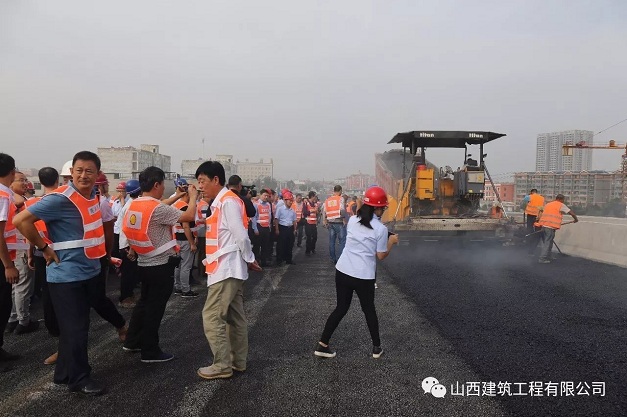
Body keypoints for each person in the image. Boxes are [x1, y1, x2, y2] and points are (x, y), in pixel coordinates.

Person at [14, 151, 110, 395]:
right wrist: (44, 247)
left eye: (89, 170)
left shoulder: (93, 196)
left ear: (97, 174)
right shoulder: (60, 199)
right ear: (71, 173)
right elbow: (21, 221)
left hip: (88, 271)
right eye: (79, 170)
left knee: (75, 328)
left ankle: (64, 373)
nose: (83, 175)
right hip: (66, 277)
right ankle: (79, 379)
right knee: (76, 329)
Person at [121, 167, 197, 363]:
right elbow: (188, 216)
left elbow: (159, 206)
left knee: (143, 304)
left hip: (144, 262)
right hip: (160, 265)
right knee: (155, 309)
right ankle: (150, 351)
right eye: (163, 184)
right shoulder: (157, 209)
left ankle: (132, 341)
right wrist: (193, 196)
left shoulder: (136, 204)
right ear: (156, 185)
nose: (164, 187)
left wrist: (176, 196)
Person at [314, 186, 398, 359]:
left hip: (343, 271)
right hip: (363, 276)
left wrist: (384, 233)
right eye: (382, 207)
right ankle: (376, 348)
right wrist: (392, 242)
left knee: (341, 308)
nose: (383, 210)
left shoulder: (353, 220)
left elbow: (365, 229)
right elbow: (381, 255)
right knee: (369, 310)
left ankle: (322, 344)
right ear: (377, 208)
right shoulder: (381, 229)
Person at [195, 161, 260, 380]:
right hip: (227, 267)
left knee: (212, 316)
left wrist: (249, 258)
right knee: (235, 317)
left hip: (226, 269)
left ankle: (222, 364)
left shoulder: (227, 202)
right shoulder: (221, 202)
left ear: (216, 180)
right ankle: (237, 362)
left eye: (203, 181)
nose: (200, 186)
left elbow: (241, 235)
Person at [24, 167, 60, 365]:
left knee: (46, 291)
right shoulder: (62, 200)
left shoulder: (32, 203)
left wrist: (32, 253)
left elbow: (29, 230)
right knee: (59, 291)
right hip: (57, 251)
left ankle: (52, 327)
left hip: (40, 250)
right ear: (57, 179)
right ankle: (62, 327)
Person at [7, 170, 38, 335]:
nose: (25, 183)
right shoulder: (13, 198)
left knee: (17, 287)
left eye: (26, 180)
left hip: (17, 246)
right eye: (21, 180)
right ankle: (23, 321)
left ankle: (13, 318)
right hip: (21, 246)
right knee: (23, 287)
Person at [0, 153, 21, 362]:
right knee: (2, 304)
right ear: (12, 172)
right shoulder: (3, 195)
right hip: (2, 261)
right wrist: (8, 265)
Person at [115, 179, 141, 308]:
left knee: (131, 273)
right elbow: (130, 228)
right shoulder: (132, 206)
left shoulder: (132, 203)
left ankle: (129, 295)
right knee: (127, 274)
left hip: (127, 243)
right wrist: (131, 248)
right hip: (127, 245)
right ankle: (125, 298)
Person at [172, 178, 198, 298]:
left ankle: (177, 286)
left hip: (176, 238)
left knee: (178, 265)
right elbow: (186, 226)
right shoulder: (184, 206)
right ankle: (185, 289)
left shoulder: (175, 204)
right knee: (186, 266)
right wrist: (192, 243)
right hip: (185, 239)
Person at [536, 194, 578, 264]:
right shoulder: (560, 205)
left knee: (549, 241)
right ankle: (542, 258)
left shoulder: (548, 204)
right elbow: (572, 213)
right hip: (550, 226)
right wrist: (576, 219)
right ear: (561, 199)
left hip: (544, 225)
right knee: (548, 242)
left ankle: (548, 256)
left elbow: (542, 212)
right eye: (563, 200)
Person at [323, 185, 346, 263]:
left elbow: (324, 211)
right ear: (340, 191)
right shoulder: (341, 198)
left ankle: (333, 258)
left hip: (330, 223)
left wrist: (324, 220)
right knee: (342, 241)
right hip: (339, 222)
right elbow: (342, 209)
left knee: (332, 241)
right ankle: (341, 259)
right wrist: (344, 218)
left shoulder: (328, 200)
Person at [274, 191, 297, 266]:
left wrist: (295, 229)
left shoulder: (292, 211)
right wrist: (277, 229)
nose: (291, 202)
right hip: (282, 228)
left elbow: (294, 221)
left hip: (290, 229)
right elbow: (276, 219)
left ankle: (288, 260)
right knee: (281, 245)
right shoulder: (280, 209)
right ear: (285, 200)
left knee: (290, 245)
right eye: (289, 200)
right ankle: (279, 260)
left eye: (291, 201)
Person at [251, 189, 273, 267]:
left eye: (267, 196)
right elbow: (253, 217)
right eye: (264, 195)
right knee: (257, 246)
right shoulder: (256, 204)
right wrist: (255, 229)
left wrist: (269, 226)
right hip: (259, 227)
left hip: (266, 227)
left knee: (265, 245)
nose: (266, 197)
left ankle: (263, 261)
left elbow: (269, 216)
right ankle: (256, 261)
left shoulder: (268, 204)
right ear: (260, 195)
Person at [522, 189, 545, 255]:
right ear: (536, 192)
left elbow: (523, 205)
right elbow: (543, 207)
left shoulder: (529, 196)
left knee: (529, 229)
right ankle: (536, 238)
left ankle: (529, 240)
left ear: (531, 192)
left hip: (530, 215)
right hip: (538, 215)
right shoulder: (542, 198)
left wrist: (524, 209)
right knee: (537, 230)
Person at [303, 191, 320, 256]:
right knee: (309, 237)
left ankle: (313, 248)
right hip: (308, 223)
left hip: (314, 223)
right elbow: (304, 213)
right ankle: (308, 251)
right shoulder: (306, 203)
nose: (316, 198)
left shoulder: (315, 204)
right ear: (312, 196)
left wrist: (317, 212)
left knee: (315, 237)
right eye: (315, 196)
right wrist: (311, 211)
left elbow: (317, 213)